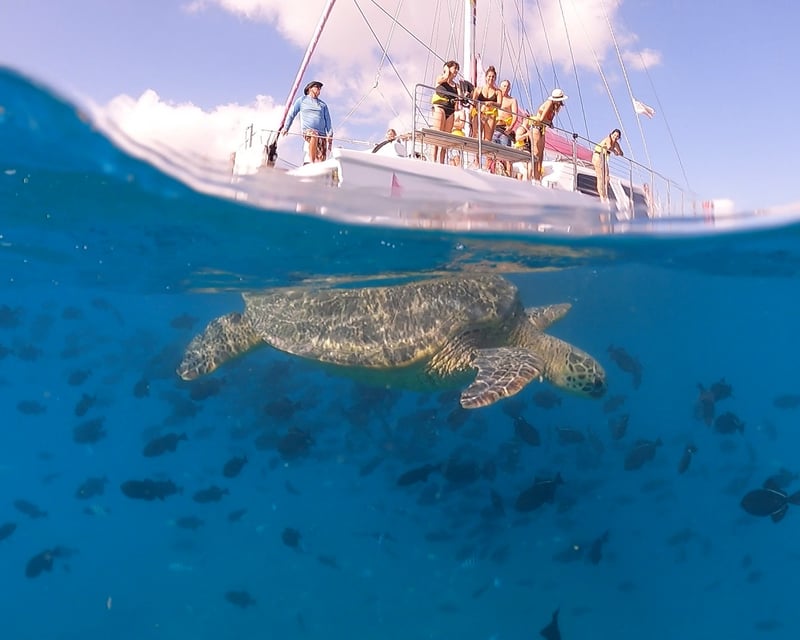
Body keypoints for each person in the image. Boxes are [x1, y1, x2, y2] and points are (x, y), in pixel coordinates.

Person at [515, 88, 567, 182]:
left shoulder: (554, 106)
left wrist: (549, 123)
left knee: (541, 154)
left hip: (541, 128)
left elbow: (546, 119)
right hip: (536, 127)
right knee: (536, 153)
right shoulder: (549, 103)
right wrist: (548, 123)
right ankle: (533, 177)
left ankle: (537, 177)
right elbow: (542, 118)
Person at [282, 80, 333, 164]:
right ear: (309, 88)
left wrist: (330, 134)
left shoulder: (323, 105)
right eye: (317, 87)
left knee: (322, 158)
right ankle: (312, 163)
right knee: (314, 135)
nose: (319, 89)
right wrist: (286, 128)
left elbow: (328, 120)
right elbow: (292, 114)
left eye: (320, 88)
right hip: (308, 131)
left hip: (322, 134)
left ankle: (317, 167)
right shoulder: (301, 100)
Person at [431, 60, 461, 163]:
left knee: (445, 138)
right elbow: (443, 79)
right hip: (440, 106)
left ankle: (442, 161)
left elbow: (459, 98)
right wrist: (447, 70)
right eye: (454, 68)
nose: (456, 71)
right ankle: (433, 160)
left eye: (457, 69)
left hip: (450, 110)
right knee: (437, 133)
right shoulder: (440, 78)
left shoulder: (456, 86)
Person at [470, 66, 502, 142]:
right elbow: (473, 103)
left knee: (488, 139)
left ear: (495, 78)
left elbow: (499, 105)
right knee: (476, 136)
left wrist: (492, 103)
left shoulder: (498, 92)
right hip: (479, 113)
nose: (491, 78)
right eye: (489, 76)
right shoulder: (478, 89)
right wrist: (470, 115)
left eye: (493, 77)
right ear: (486, 77)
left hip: (490, 115)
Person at [592, 128, 624, 202]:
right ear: (611, 134)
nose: (615, 137)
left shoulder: (616, 143)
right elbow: (609, 147)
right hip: (598, 156)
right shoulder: (608, 139)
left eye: (617, 136)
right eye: (614, 135)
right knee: (600, 177)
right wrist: (614, 151)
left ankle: (605, 195)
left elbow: (621, 153)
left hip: (604, 157)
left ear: (619, 138)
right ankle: (602, 196)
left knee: (607, 177)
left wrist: (619, 152)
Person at [493, 79, 519, 146]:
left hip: (505, 129)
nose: (506, 88)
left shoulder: (512, 100)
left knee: (505, 149)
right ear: (500, 87)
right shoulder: (495, 98)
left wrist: (510, 127)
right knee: (491, 149)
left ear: (509, 88)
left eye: (507, 87)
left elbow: (515, 116)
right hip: (494, 127)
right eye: (504, 86)